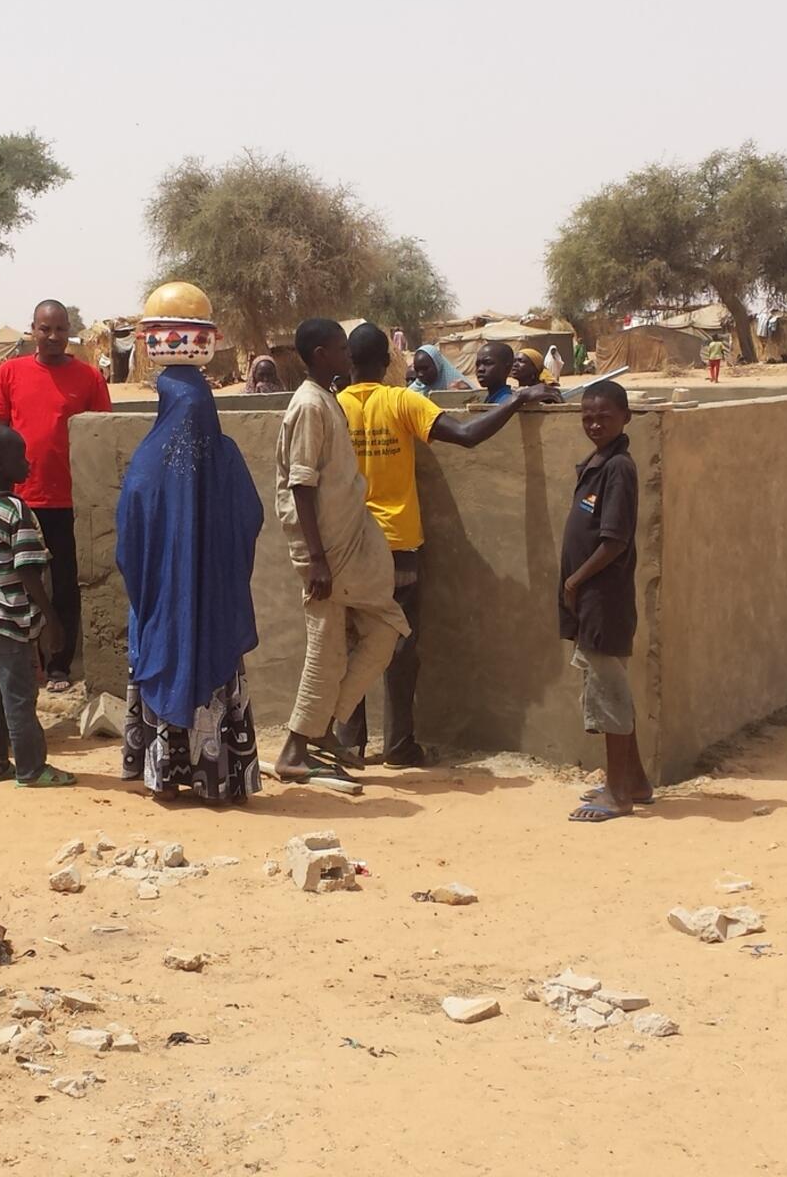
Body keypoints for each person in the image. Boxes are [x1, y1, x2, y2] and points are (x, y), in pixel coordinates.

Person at [334, 323, 558, 767]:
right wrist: (517, 400)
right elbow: (467, 435)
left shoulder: (333, 407)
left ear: (349, 361)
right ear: (388, 361)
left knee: (350, 646)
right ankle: (399, 746)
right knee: (400, 647)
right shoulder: (402, 401)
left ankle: (347, 744)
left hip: (347, 544)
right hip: (397, 544)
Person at [117, 363, 264, 804]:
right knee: (215, 670)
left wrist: (152, 590)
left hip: (161, 603)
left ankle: (164, 777)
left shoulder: (147, 461)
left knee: (162, 663)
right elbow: (250, 519)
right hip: (214, 602)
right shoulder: (225, 456)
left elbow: (129, 539)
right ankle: (217, 779)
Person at [273, 318, 409, 782]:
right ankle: (296, 749)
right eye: (339, 349)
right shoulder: (310, 405)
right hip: (327, 551)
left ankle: (320, 731)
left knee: (380, 631)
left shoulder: (326, 398)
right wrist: (317, 559)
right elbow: (301, 483)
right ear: (320, 354)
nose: (347, 356)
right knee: (326, 649)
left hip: (345, 545)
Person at [0, 299, 112, 692]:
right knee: (22, 582)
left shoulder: (89, 378)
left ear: (69, 331)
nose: (53, 336)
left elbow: (102, 434)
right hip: (21, 500)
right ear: (33, 330)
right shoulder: (11, 372)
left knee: (66, 584)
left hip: (70, 500)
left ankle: (59, 665)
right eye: (45, 329)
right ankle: (29, 661)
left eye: (60, 329)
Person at [561, 380, 650, 822]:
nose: (595, 424)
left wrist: (575, 580)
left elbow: (614, 541)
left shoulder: (619, 469)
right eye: (588, 417)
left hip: (604, 599)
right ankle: (635, 781)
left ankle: (618, 795)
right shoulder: (597, 464)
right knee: (610, 689)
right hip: (591, 600)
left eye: (604, 417)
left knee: (609, 696)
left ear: (625, 417)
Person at [0, 424, 73, 787]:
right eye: (21, 457)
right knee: (19, 696)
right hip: (11, 618)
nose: (28, 463)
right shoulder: (16, 510)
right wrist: (51, 618)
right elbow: (27, 568)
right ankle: (31, 768)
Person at [474, 341, 515, 405]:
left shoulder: (505, 401)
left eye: (488, 363)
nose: (480, 369)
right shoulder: (491, 398)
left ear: (507, 368)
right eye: (477, 364)